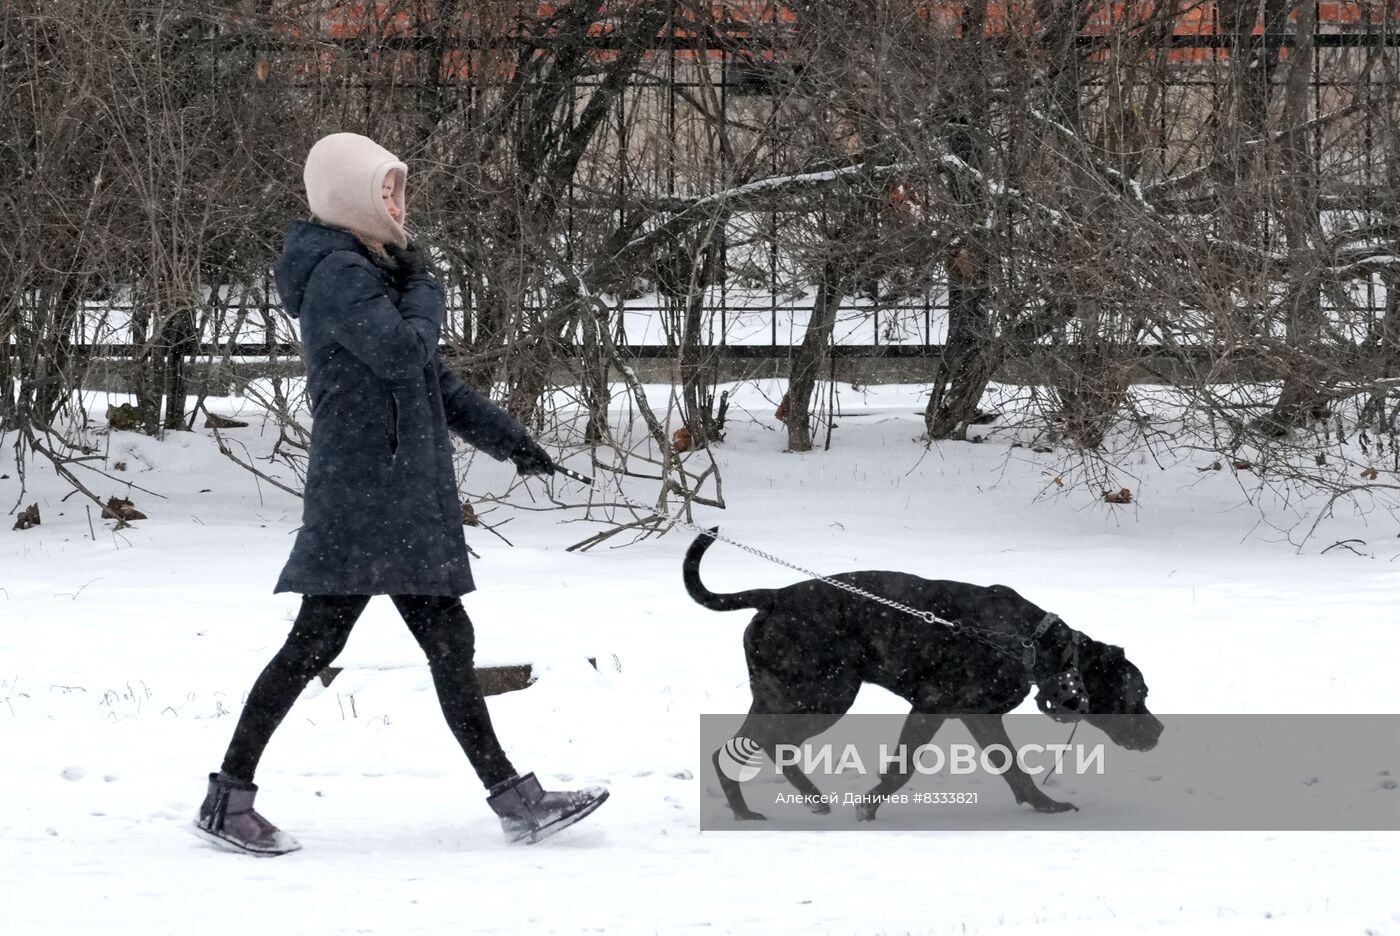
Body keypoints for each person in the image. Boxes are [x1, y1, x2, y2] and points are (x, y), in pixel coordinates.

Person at [193, 132, 607, 856]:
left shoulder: (372, 273)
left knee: (447, 643)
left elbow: (432, 384)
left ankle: (516, 799)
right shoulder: (338, 276)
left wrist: (513, 442)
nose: (396, 202)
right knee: (313, 645)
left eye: (398, 189)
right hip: (363, 496)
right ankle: (227, 799)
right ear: (347, 195)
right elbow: (403, 353)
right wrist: (426, 290)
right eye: (382, 189)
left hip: (398, 499)